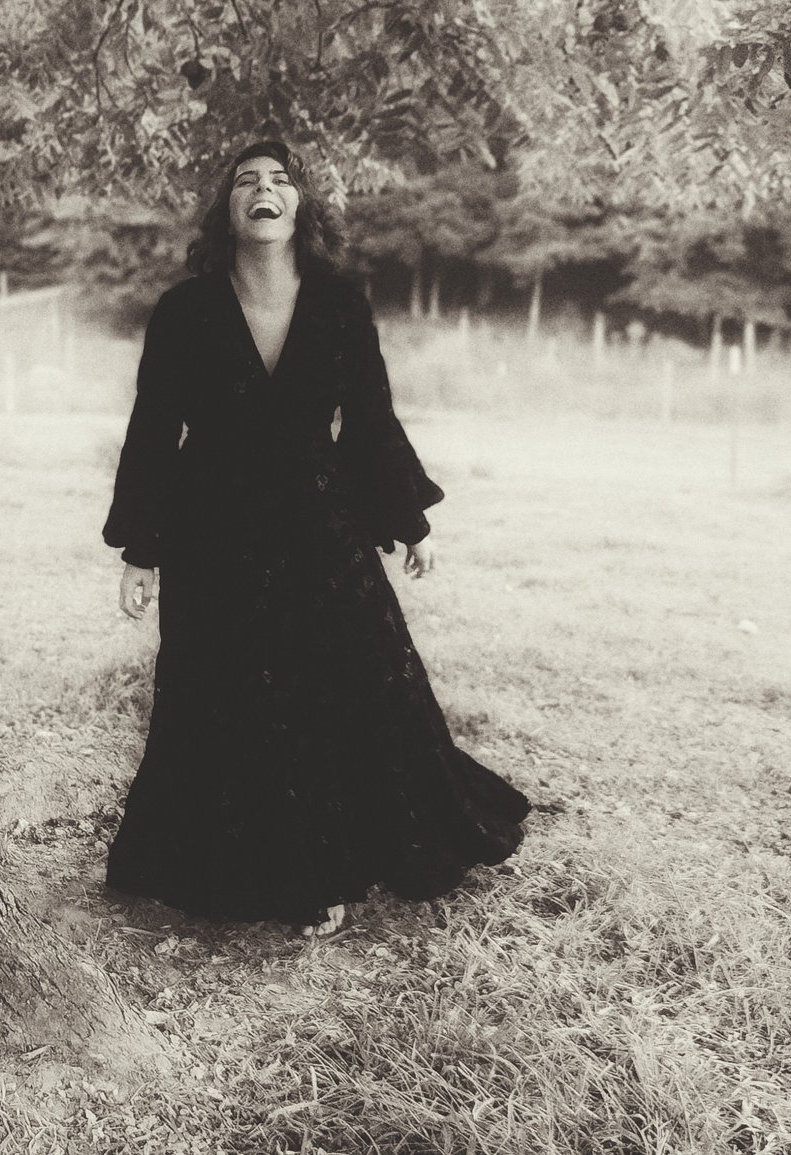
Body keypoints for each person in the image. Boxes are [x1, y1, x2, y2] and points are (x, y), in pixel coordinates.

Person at [100, 140, 531, 937]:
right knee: (226, 693)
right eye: (245, 182)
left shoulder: (340, 305)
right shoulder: (185, 311)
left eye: (280, 180)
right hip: (212, 531)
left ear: (301, 207)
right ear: (225, 210)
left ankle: (334, 856)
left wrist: (408, 520)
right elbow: (155, 430)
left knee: (345, 681)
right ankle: (258, 868)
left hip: (319, 523)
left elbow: (370, 421)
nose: (264, 191)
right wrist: (141, 548)